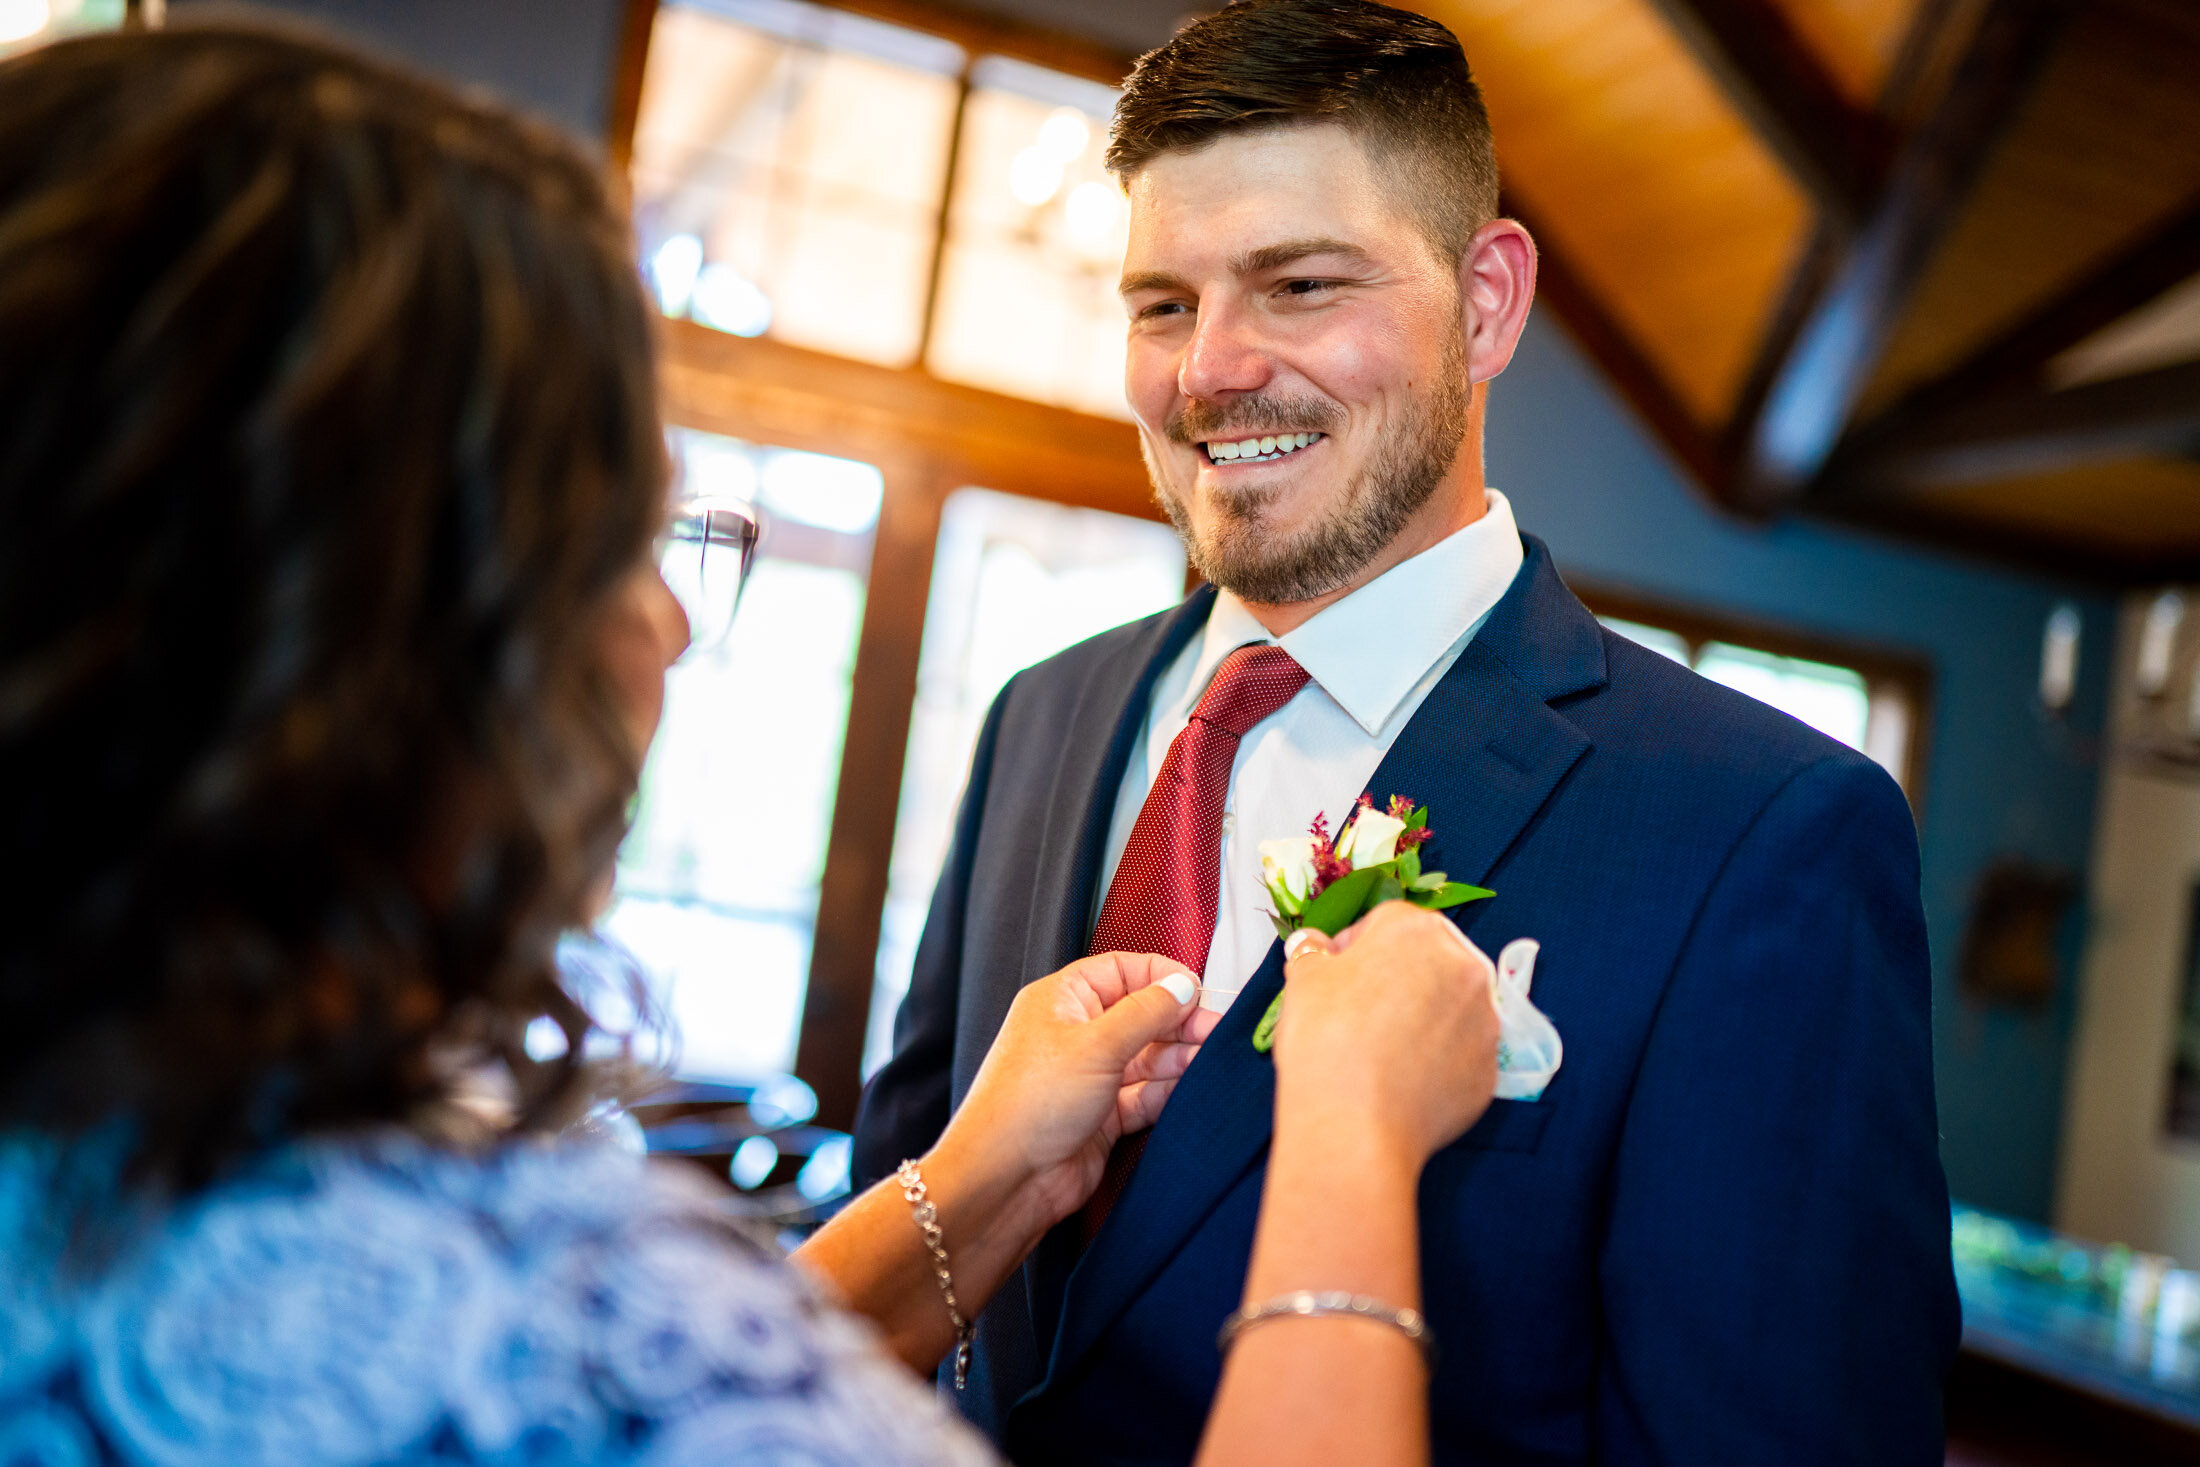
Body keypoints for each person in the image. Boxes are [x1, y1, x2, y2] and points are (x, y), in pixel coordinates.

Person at [0, 19, 1501, 1467]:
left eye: (1301, 284)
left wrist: (974, 1187)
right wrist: (1353, 1149)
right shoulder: (556, 1326)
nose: (663, 619)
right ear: (361, 640)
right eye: (611, 537)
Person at [852, 0, 1963, 1461]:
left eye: (1302, 285)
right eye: (1162, 304)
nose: (1210, 371)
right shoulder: (1040, 718)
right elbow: (909, 1237)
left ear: (1488, 304)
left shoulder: (1764, 834)